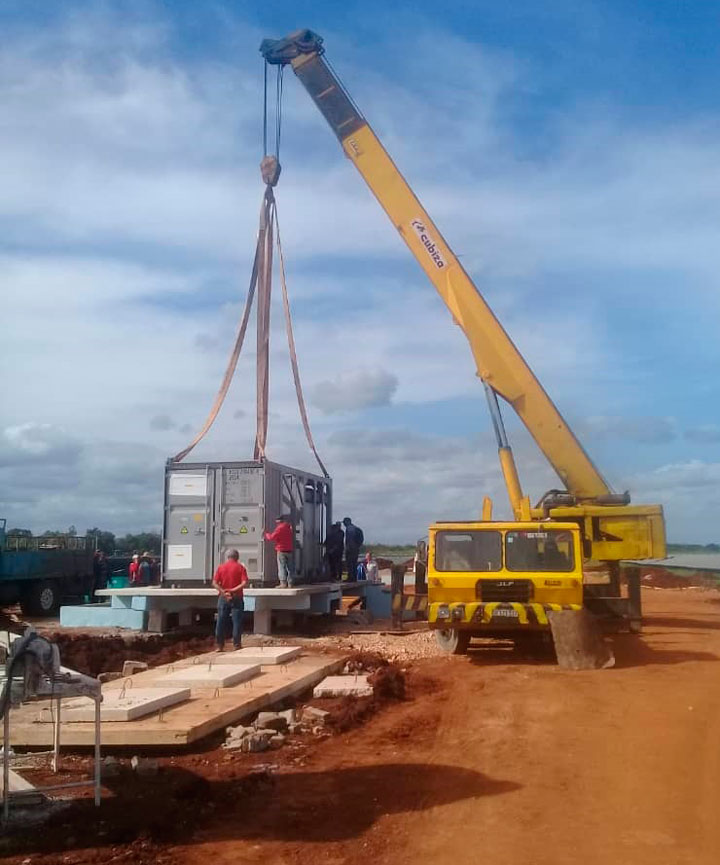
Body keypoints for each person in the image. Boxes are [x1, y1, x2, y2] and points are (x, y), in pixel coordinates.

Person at [212, 549, 248, 651]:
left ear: (227, 557)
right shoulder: (241, 568)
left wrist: (224, 592)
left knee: (221, 621)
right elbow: (244, 583)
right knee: (237, 621)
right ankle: (237, 644)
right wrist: (232, 590)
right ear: (237, 557)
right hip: (237, 597)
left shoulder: (221, 567)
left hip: (223, 597)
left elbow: (214, 583)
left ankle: (219, 645)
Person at [264, 515, 294, 587]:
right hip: (289, 550)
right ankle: (290, 583)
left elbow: (271, 537)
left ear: (278, 521)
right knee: (290, 568)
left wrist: (266, 534)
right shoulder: (289, 527)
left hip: (281, 550)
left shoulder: (280, 528)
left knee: (281, 567)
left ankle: (283, 583)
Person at [342, 517, 364, 582]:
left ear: (347, 522)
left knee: (350, 563)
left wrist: (348, 548)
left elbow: (349, 540)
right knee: (354, 563)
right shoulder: (356, 528)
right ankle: (354, 578)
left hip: (351, 549)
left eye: (344, 522)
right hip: (356, 549)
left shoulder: (350, 529)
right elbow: (361, 540)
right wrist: (357, 546)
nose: (344, 524)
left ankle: (351, 578)